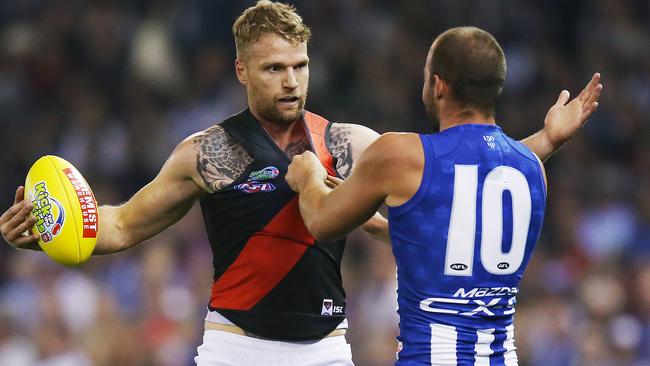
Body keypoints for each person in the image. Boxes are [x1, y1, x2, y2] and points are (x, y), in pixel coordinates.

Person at [0, 1, 598, 365]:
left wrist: (543, 143)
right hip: (233, 351)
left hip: (327, 353)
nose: (291, 81)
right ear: (241, 71)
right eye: (274, 68)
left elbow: (457, 172)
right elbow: (123, 223)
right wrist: (51, 228)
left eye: (300, 66)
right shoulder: (206, 152)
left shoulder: (349, 142)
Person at [286, 26, 602, 365]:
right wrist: (382, 228)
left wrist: (308, 176)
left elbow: (320, 221)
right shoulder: (532, 169)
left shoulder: (401, 154)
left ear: (438, 85)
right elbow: (464, 227)